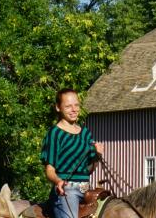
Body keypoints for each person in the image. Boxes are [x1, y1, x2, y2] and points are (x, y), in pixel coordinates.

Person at [41, 88, 104, 218]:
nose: (74, 109)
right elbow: (49, 171)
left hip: (87, 188)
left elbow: (89, 169)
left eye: (76, 105)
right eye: (68, 106)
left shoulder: (85, 133)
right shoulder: (54, 133)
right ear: (58, 108)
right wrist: (58, 181)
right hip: (66, 191)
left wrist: (98, 155)